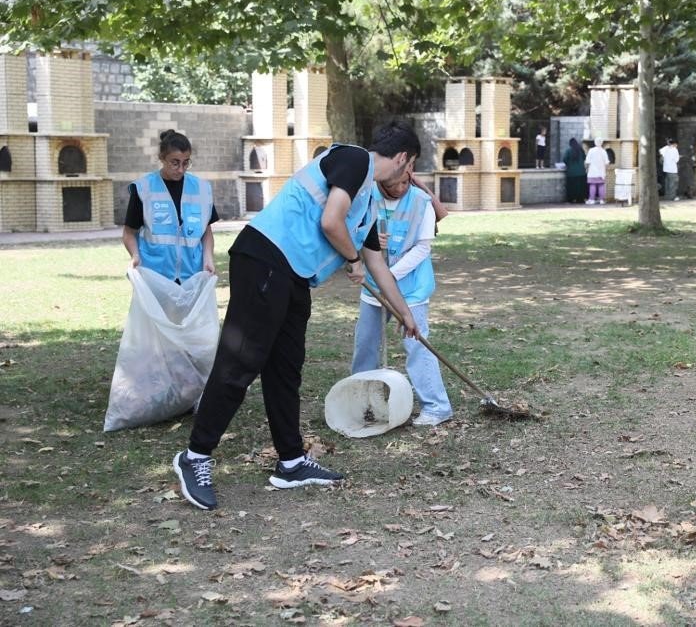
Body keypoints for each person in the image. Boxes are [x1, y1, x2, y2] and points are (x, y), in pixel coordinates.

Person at [172, 121, 422, 511]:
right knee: (241, 362)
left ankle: (290, 462)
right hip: (264, 258)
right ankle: (195, 456)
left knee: (285, 369)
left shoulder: (369, 201)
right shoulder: (354, 160)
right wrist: (352, 260)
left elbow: (380, 266)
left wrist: (405, 314)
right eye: (411, 169)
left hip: (293, 276)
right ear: (403, 158)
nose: (410, 178)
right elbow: (330, 221)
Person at [351, 171, 452, 426]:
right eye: (391, 184)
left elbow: (422, 247)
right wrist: (369, 242)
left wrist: (389, 276)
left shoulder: (421, 201)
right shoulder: (365, 197)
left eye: (404, 182)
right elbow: (349, 234)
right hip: (374, 290)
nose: (399, 188)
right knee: (365, 345)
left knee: (417, 345)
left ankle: (436, 406)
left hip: (411, 289)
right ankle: (363, 405)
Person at [122, 129, 217, 282]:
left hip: (192, 275)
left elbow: (206, 231)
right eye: (175, 163)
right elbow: (128, 233)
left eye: (186, 163)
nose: (181, 169)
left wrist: (208, 258)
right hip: (155, 275)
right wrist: (135, 256)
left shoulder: (202, 189)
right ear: (162, 158)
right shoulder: (143, 188)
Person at [562, 137, 587, 203]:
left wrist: (568, 165)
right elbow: (585, 158)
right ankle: (580, 199)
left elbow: (564, 159)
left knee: (572, 187)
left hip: (571, 173)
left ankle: (571, 199)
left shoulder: (568, 150)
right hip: (582, 172)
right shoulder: (581, 150)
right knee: (580, 188)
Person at [585, 138, 609, 205]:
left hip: (592, 172)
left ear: (595, 142)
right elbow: (607, 163)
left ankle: (592, 200)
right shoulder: (604, 151)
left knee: (592, 185)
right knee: (601, 185)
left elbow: (587, 162)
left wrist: (586, 169)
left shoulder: (591, 150)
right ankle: (601, 200)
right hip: (601, 172)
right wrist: (606, 171)